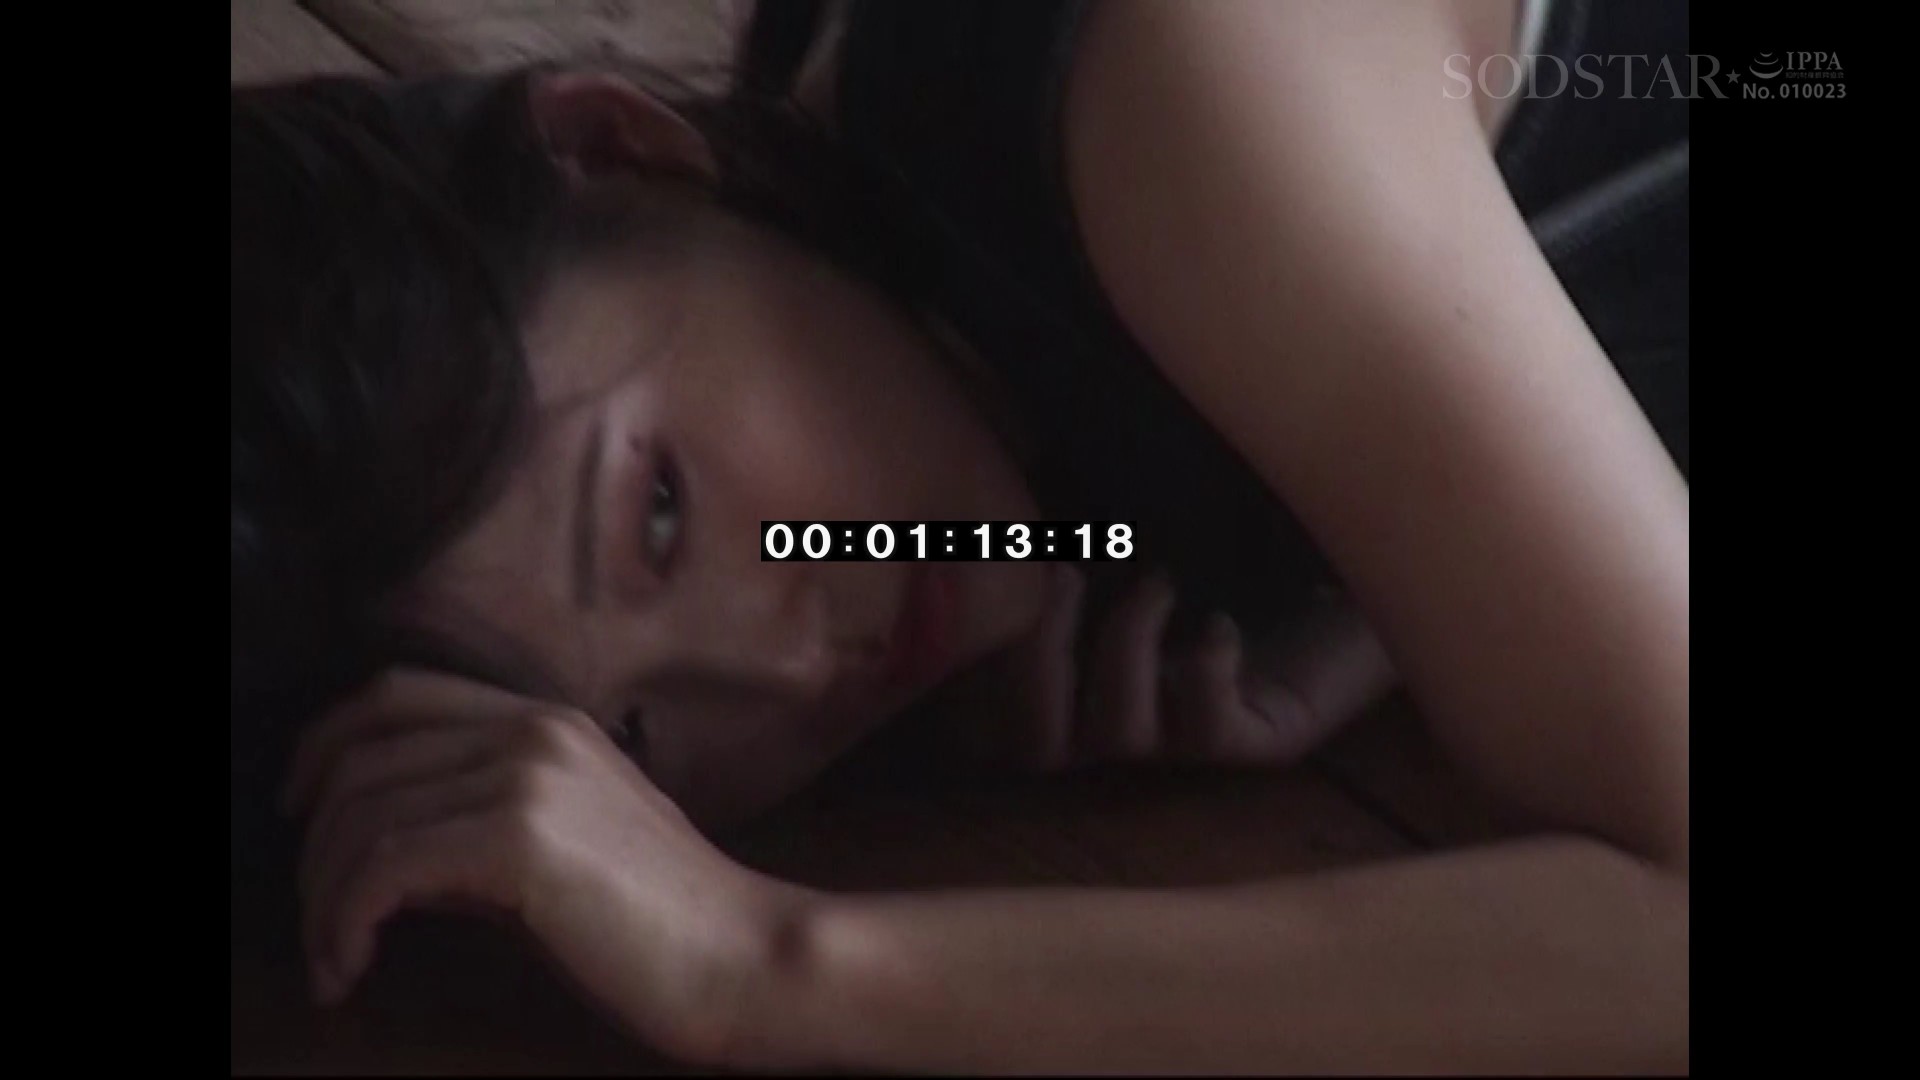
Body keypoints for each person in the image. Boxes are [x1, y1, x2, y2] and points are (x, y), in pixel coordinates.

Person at [231, 0, 1690, 1070]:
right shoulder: (917, 311)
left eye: (658, 515)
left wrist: (772, 965)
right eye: (632, 742)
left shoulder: (1184, 79)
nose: (783, 668)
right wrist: (1375, 591)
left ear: (622, 146)